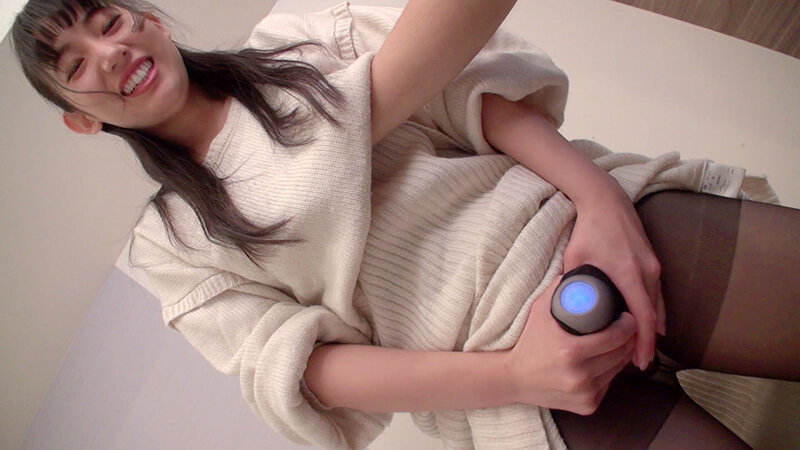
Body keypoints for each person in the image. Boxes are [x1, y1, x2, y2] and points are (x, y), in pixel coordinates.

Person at [11, 0, 799, 448]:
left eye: (106, 21)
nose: (108, 53)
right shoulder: (170, 244)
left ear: (148, 18)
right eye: (74, 64)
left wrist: (599, 200)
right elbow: (299, 368)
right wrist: (519, 376)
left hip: (581, 231)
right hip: (530, 390)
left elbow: (471, 94)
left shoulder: (296, 39)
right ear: (80, 120)